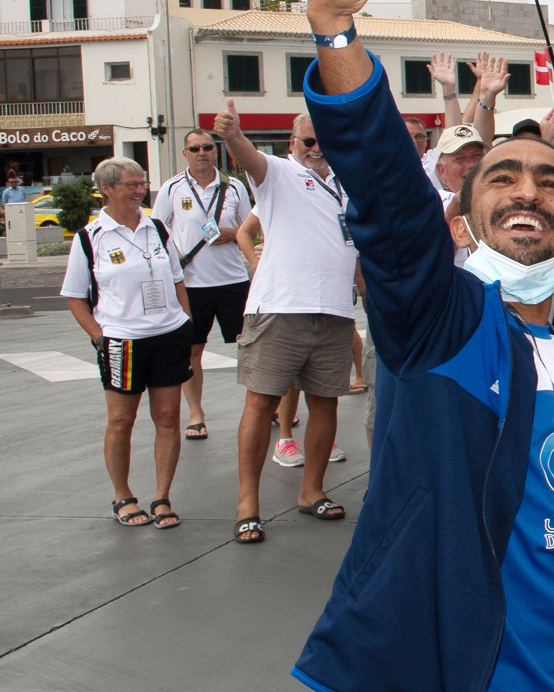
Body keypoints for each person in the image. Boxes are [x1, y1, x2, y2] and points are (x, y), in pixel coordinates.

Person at [287, 0, 554, 692]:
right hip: (449, 666)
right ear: (466, 218)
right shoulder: (441, 320)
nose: (527, 191)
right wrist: (334, 29)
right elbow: (385, 194)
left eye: (550, 182)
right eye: (502, 178)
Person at [214, 99, 358, 543]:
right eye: (309, 140)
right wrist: (233, 135)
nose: (317, 148)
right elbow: (248, 158)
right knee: (260, 405)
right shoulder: (277, 172)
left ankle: (311, 490)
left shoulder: (348, 185)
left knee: (325, 405)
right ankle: (247, 505)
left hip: (334, 311)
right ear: (293, 143)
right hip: (279, 309)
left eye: (324, 141)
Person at [61, 157, 191, 530]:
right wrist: (100, 337)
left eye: (142, 183)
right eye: (131, 185)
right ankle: (123, 495)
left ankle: (162, 497)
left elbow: (178, 279)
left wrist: (185, 322)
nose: (140, 190)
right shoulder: (90, 237)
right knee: (122, 420)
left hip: (168, 335)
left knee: (168, 418)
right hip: (122, 340)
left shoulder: (157, 228)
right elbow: (74, 296)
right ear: (107, 189)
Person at [153, 128, 255, 442]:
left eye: (207, 147)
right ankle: (196, 413)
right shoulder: (171, 188)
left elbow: (251, 228)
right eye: (194, 148)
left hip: (233, 280)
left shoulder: (235, 186)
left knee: (251, 346)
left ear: (216, 151)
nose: (202, 153)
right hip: (191, 284)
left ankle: (264, 406)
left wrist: (232, 234)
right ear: (185, 154)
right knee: (192, 350)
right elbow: (157, 233)